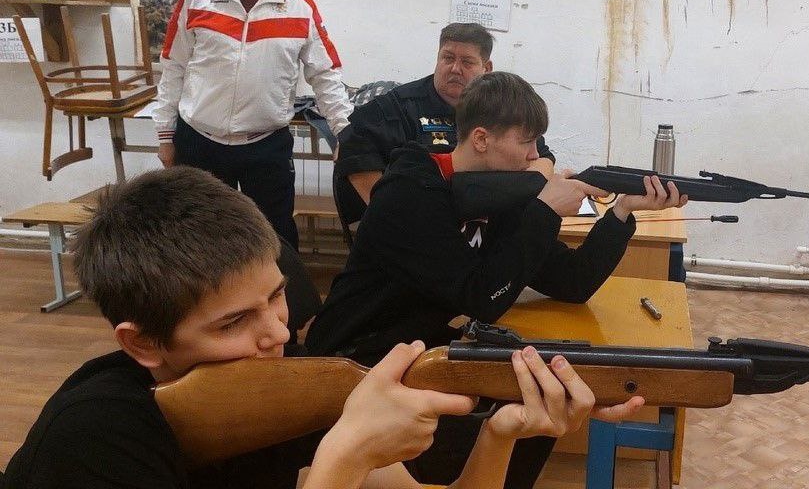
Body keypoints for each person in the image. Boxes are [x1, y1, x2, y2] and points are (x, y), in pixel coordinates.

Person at [1, 166, 644, 489]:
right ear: (142, 342)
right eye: (234, 322)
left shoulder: (277, 387)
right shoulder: (91, 439)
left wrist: (503, 433)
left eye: (277, 298)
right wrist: (344, 459)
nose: (278, 335)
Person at [306, 71, 687, 487]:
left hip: (426, 351)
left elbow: (573, 282)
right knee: (523, 409)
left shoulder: (500, 195)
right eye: (527, 142)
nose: (536, 156)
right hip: (357, 360)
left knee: (540, 403)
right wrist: (543, 210)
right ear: (482, 139)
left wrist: (621, 212)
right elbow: (482, 297)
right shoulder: (410, 193)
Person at [153, 0, 353, 250]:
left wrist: (344, 132)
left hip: (266, 146)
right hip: (199, 143)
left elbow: (326, 74)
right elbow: (173, 68)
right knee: (198, 239)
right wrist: (165, 135)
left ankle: (280, 286)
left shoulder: (299, 7)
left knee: (276, 239)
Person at [334, 22, 556, 222]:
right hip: (419, 224)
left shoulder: (501, 108)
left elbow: (542, 159)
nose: (455, 69)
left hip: (483, 225)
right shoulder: (400, 105)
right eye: (448, 58)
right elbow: (350, 147)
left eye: (467, 62)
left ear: (486, 68)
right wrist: (389, 215)